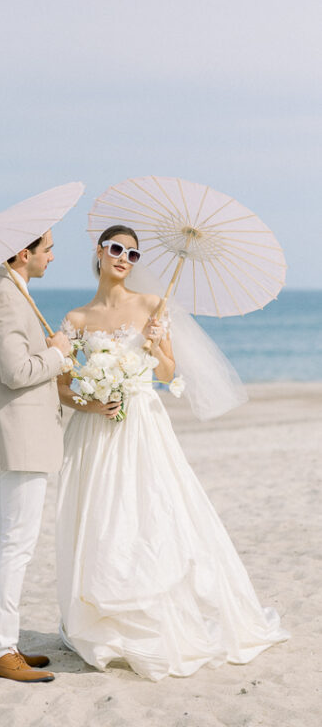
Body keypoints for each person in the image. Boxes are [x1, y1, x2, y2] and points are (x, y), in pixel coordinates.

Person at [55, 224, 289, 682]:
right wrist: (93, 401)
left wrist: (156, 341)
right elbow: (63, 385)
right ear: (99, 252)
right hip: (94, 428)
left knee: (151, 512)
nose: (125, 258)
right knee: (99, 517)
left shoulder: (152, 306)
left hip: (142, 421)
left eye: (134, 254)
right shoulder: (78, 318)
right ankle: (104, 617)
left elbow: (167, 371)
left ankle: (152, 607)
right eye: (117, 249)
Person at [0, 229, 73, 683]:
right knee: (15, 544)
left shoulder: (7, 291)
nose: (52, 256)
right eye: (47, 249)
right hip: (23, 435)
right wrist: (57, 354)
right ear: (23, 252)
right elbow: (16, 372)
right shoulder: (6, 297)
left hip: (15, 434)